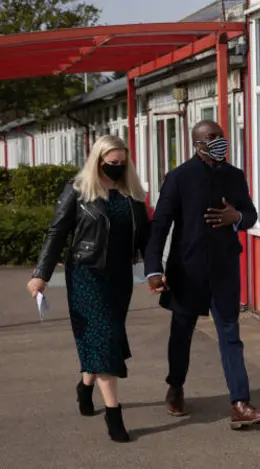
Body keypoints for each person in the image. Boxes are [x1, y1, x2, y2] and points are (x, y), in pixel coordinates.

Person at [144, 120, 260, 429]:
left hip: (224, 269)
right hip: (187, 272)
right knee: (181, 333)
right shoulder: (178, 178)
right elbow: (160, 226)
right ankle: (175, 386)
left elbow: (251, 215)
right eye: (212, 138)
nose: (220, 142)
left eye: (222, 136)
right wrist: (153, 269)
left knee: (230, 335)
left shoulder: (234, 176)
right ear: (198, 144)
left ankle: (240, 404)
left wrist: (237, 217)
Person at [27, 135, 150, 443]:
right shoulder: (79, 191)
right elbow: (56, 233)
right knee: (105, 340)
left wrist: (156, 272)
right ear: (98, 161)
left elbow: (146, 238)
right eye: (112, 163)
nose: (118, 168)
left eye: (123, 163)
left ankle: (85, 386)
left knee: (103, 340)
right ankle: (114, 416)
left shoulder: (132, 194)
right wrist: (40, 274)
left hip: (120, 278)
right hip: (86, 275)